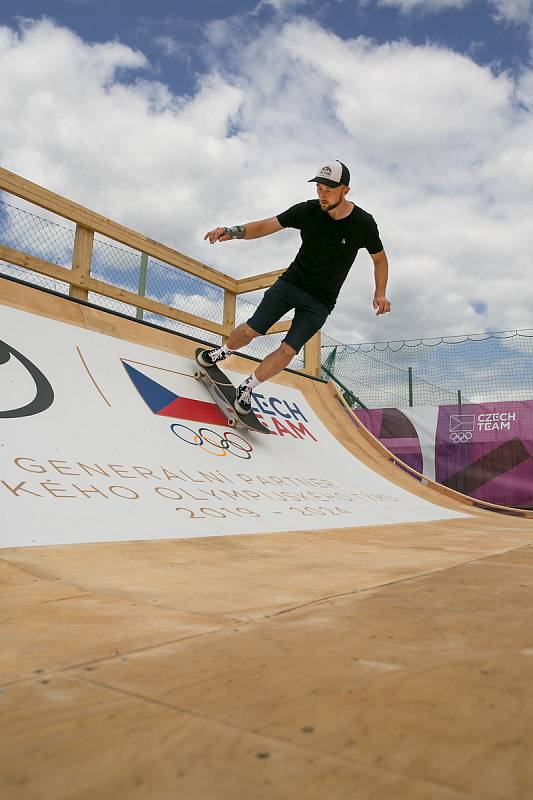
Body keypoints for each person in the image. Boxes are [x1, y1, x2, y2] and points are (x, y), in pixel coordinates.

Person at [197, 160, 391, 414]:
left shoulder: (363, 223)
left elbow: (380, 259)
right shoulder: (306, 211)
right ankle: (222, 353)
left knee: (288, 351)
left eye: (329, 190)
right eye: (319, 188)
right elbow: (268, 225)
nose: (322, 194)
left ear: (345, 190)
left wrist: (380, 292)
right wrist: (233, 231)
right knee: (251, 331)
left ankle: (248, 387)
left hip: (320, 302)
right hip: (291, 284)